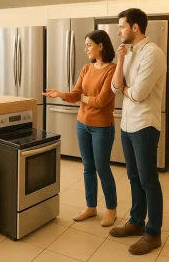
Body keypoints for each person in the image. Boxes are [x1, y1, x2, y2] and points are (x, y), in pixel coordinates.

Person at [43, 30, 117, 227]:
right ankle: (91, 207)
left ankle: (111, 209)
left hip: (102, 127)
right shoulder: (86, 68)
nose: (86, 49)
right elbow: (76, 94)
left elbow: (101, 101)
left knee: (102, 168)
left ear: (100, 46)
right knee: (88, 167)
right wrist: (60, 94)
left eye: (88, 45)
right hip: (82, 124)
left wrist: (83, 99)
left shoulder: (112, 70)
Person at [110, 8, 167, 255]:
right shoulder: (130, 53)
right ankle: (136, 222)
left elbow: (138, 93)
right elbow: (115, 87)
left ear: (135, 27)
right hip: (127, 124)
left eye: (121, 26)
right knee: (133, 177)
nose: (118, 31)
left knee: (148, 181)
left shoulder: (153, 53)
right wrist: (120, 59)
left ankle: (153, 233)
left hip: (145, 126)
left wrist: (125, 90)